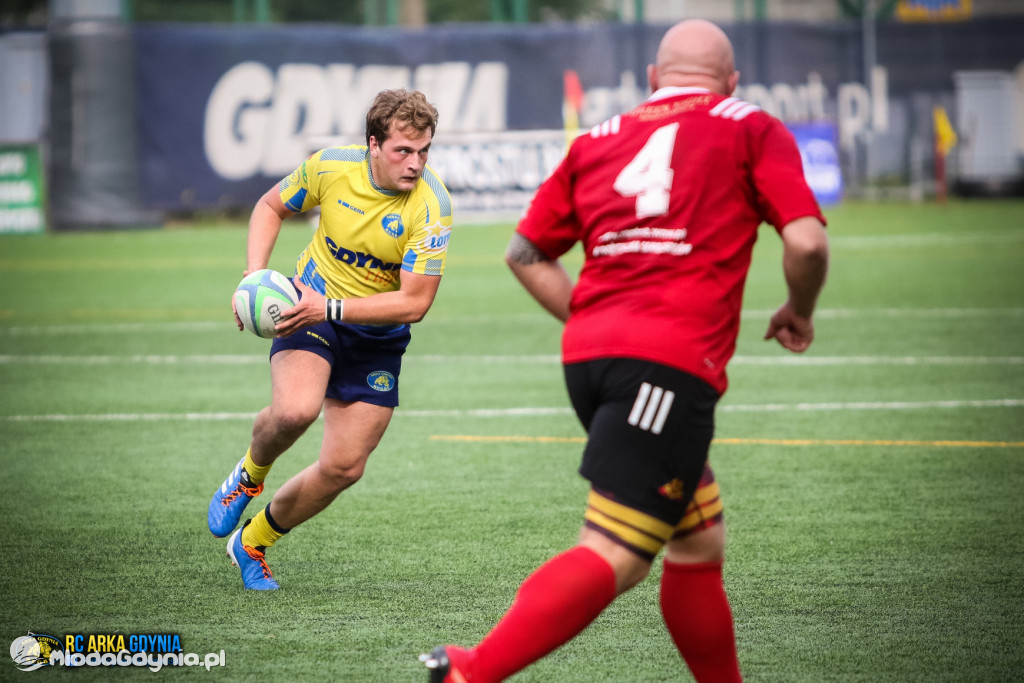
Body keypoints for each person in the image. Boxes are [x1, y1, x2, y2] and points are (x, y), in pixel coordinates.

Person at [421, 19, 829, 682]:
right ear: (732, 82)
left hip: (588, 359)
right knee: (617, 550)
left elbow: (523, 253)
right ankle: (472, 671)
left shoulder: (600, 137)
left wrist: (592, 313)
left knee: (697, 538)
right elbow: (807, 243)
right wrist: (799, 311)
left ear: (652, 82)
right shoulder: (751, 125)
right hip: (665, 368)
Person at [208, 89, 453, 590]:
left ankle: (251, 542)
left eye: (424, 151)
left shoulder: (433, 208)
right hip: (308, 311)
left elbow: (415, 304)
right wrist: (253, 279)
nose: (416, 164)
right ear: (373, 144)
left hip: (377, 337)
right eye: (403, 151)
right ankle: (250, 474)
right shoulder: (330, 168)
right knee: (295, 411)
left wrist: (335, 307)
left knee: (344, 468)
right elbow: (270, 206)